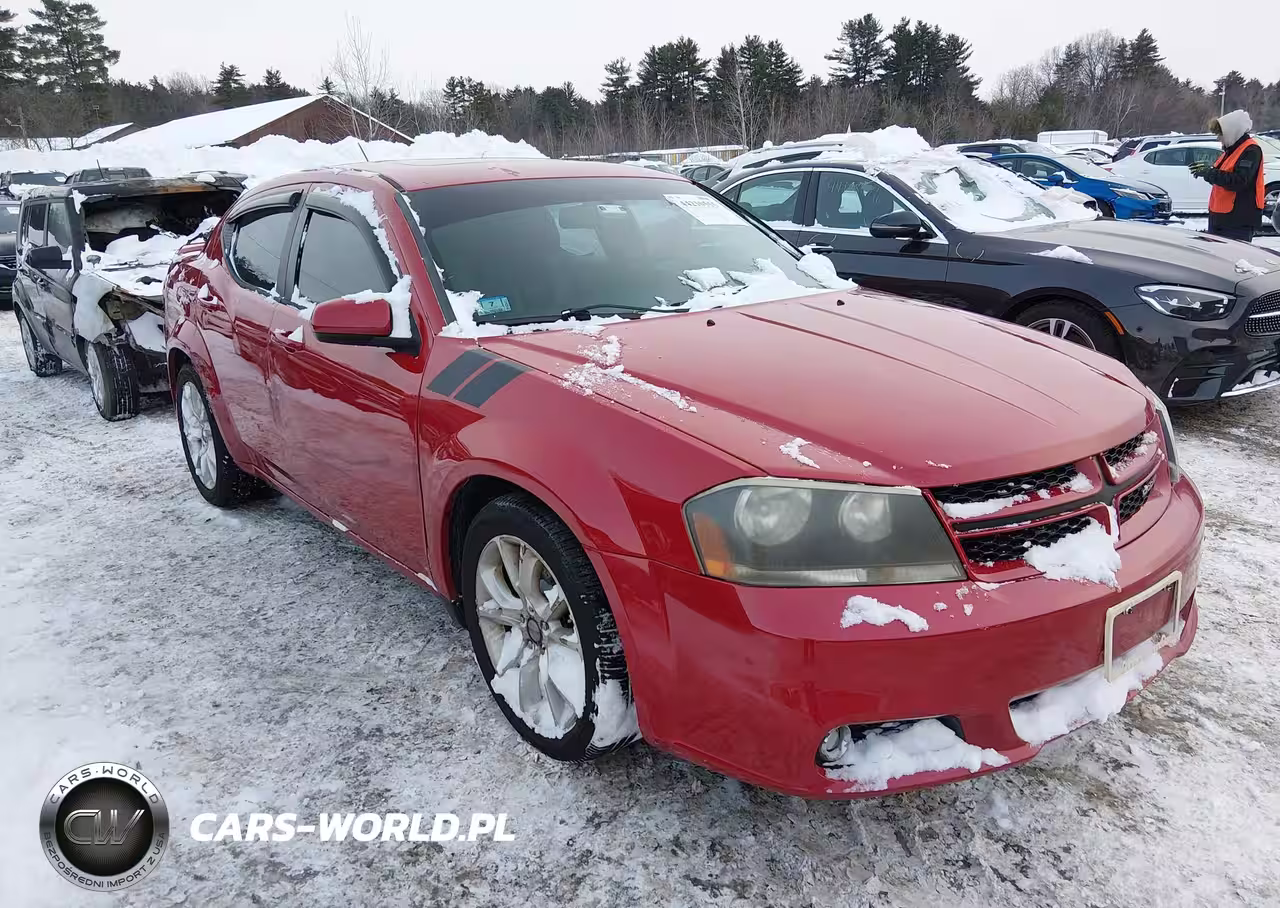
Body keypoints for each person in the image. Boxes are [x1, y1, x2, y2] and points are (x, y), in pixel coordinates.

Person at [1190, 109, 1265, 242]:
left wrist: (1210, 172)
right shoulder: (1231, 150)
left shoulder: (1251, 151)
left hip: (1237, 220)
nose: (1218, 138)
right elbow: (1222, 179)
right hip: (1221, 216)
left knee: (1230, 260)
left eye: (1220, 134)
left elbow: (1239, 181)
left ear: (1231, 132)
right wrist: (1207, 172)